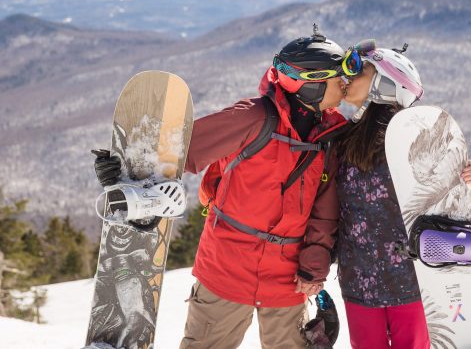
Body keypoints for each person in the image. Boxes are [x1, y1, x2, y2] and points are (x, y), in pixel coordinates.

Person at [94, 27, 361, 349]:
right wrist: (122, 174)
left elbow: (325, 209)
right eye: (337, 79)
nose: (344, 86)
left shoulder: (332, 136)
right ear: (312, 83)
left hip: (288, 276)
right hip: (226, 266)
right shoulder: (252, 118)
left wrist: (314, 266)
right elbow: (177, 152)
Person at [334, 44, 471, 349]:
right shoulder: (342, 138)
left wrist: (465, 178)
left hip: (412, 281)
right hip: (360, 279)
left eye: (359, 71)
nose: (347, 77)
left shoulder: (414, 139)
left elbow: (444, 195)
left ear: (384, 83)